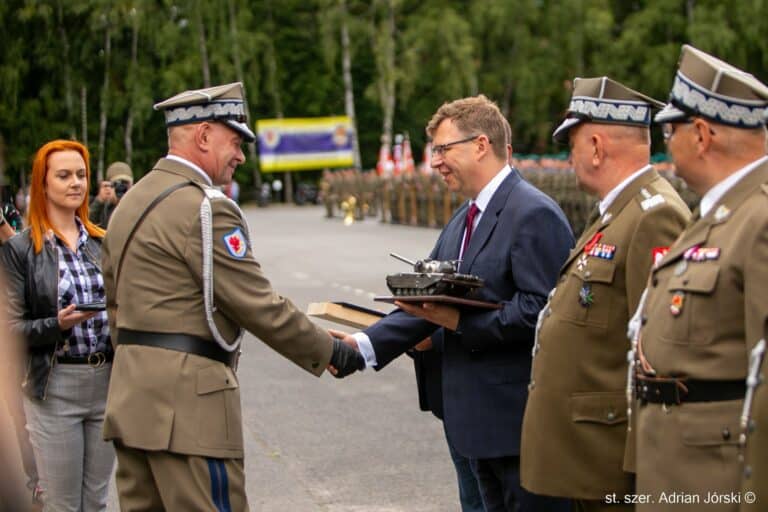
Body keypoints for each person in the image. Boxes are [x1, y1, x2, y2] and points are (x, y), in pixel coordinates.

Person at [100, 82, 363, 511]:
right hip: (189, 412)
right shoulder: (206, 207)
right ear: (203, 136)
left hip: (131, 404)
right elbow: (256, 303)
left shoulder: (130, 202)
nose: (241, 155)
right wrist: (331, 350)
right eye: (235, 140)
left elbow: (116, 306)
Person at [333, 95, 574, 512]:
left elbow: (544, 312)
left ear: (481, 145)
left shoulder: (533, 213)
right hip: (475, 426)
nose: (436, 162)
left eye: (444, 150)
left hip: (519, 428)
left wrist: (460, 322)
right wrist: (360, 348)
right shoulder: (465, 218)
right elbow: (429, 303)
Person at [519, 77, 691, 511]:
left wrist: (646, 471)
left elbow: (661, 357)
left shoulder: (655, 215)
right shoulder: (618, 212)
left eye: (573, 142)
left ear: (596, 145)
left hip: (615, 462)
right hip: (591, 454)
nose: (572, 155)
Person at [633, 45, 768, 511]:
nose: (666, 142)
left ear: (703, 134)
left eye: (671, 130)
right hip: (679, 472)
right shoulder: (715, 213)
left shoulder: (760, 218)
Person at [1, 139, 115, 511]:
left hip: (107, 383)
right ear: (42, 183)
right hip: (55, 385)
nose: (76, 183)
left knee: (95, 502)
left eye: (81, 175)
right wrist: (57, 323)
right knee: (63, 504)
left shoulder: (101, 243)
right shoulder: (21, 249)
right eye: (64, 175)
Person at [89, 161, 133, 228]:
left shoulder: (136, 204)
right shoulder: (103, 207)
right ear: (109, 185)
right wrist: (99, 201)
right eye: (116, 184)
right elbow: (86, 225)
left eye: (125, 183)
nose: (121, 188)